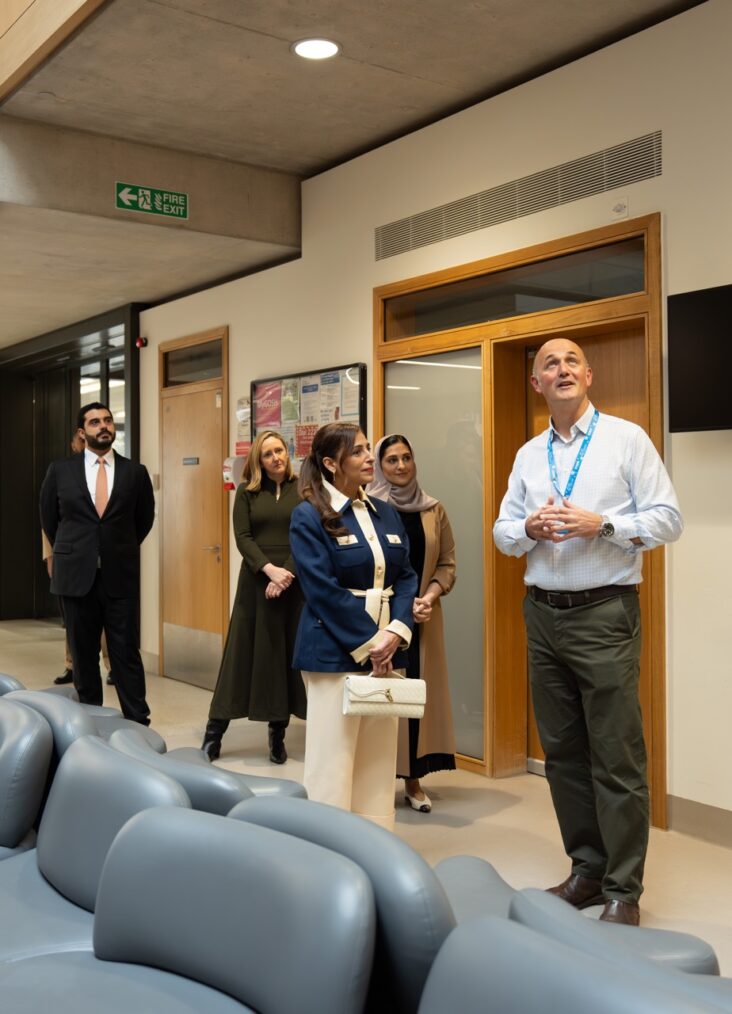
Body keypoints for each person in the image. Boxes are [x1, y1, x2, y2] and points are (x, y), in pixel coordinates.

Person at [493, 338, 683, 926]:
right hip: (542, 613)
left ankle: (624, 890)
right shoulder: (529, 455)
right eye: (550, 364)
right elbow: (502, 532)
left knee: (616, 755)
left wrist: (602, 525)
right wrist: (527, 528)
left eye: (572, 360)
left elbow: (668, 519)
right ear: (537, 384)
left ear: (589, 375)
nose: (562, 369)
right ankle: (588, 871)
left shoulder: (626, 439)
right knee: (563, 754)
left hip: (605, 613)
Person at [289, 422, 418, 831]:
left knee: (378, 761)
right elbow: (322, 590)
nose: (369, 458)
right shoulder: (308, 515)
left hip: (388, 652)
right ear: (331, 463)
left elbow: (407, 577)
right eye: (359, 451)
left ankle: (376, 843)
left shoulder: (385, 513)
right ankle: (327, 848)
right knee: (334, 760)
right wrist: (372, 643)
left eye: (367, 449)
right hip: (333, 652)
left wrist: (396, 632)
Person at [39, 402, 155, 725]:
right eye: (94, 422)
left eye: (107, 420)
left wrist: (115, 548)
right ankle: (91, 727)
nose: (103, 426)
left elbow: (143, 519)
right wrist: (79, 550)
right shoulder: (61, 471)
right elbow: (50, 520)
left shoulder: (135, 472)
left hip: (120, 576)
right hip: (76, 578)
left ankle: (138, 725)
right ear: (82, 432)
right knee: (83, 656)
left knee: (125, 653)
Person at [202, 430, 306, 764]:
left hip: (291, 583)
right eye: (268, 454)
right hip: (255, 582)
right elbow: (243, 537)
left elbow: (306, 537)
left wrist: (285, 573)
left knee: (282, 656)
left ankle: (277, 736)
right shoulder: (247, 493)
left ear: (287, 453)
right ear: (258, 461)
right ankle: (214, 734)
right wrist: (269, 570)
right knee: (240, 656)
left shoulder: (303, 490)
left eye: (280, 451)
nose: (276, 457)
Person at [368, 434, 456, 813]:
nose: (401, 466)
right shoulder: (368, 508)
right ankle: (371, 783)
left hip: (423, 616)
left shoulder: (433, 509)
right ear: (379, 466)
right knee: (379, 696)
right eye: (392, 459)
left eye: (407, 457)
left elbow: (447, 562)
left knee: (414, 693)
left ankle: (413, 782)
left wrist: (430, 597)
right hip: (379, 618)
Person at [48, 431, 113, 687]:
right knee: (74, 622)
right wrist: (53, 555)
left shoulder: (115, 470)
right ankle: (72, 664)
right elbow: (49, 519)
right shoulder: (61, 471)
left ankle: (110, 664)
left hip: (106, 562)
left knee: (106, 622)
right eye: (79, 440)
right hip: (70, 561)